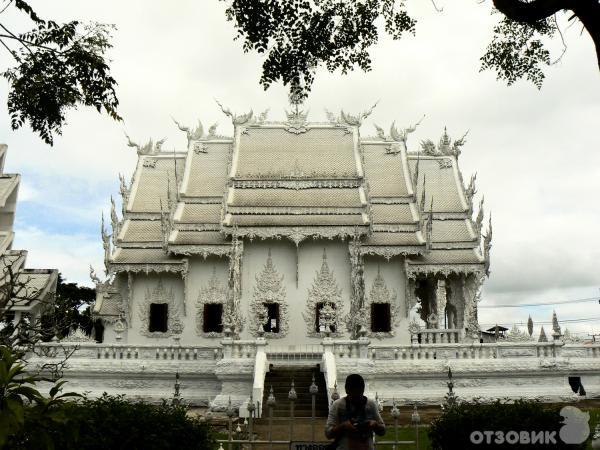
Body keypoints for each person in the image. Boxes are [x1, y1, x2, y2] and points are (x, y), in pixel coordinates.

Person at [325, 374, 386, 450]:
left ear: (363, 390)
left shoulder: (371, 405)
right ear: (346, 390)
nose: (356, 400)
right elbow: (328, 433)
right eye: (353, 397)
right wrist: (344, 426)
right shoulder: (338, 405)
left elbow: (382, 431)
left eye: (358, 396)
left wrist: (374, 425)